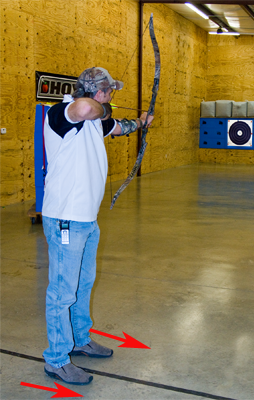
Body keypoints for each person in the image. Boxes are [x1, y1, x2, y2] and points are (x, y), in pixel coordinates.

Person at [42, 67, 154, 385]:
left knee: (83, 286)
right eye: (109, 91)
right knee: (62, 293)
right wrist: (101, 104)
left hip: (87, 221)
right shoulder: (64, 113)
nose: (112, 97)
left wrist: (141, 122)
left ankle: (79, 340)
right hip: (66, 219)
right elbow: (87, 107)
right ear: (98, 91)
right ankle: (56, 359)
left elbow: (117, 127)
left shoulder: (94, 121)